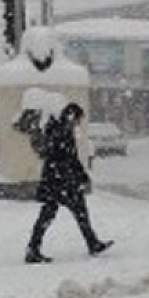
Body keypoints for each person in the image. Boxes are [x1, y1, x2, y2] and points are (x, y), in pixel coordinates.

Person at [25, 102, 112, 264]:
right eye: (77, 119)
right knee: (75, 213)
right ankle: (91, 243)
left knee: (52, 215)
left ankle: (33, 248)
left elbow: (66, 156)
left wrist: (79, 174)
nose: (78, 123)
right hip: (62, 181)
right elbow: (68, 157)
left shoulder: (56, 128)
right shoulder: (62, 130)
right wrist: (79, 175)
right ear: (72, 116)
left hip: (56, 180)